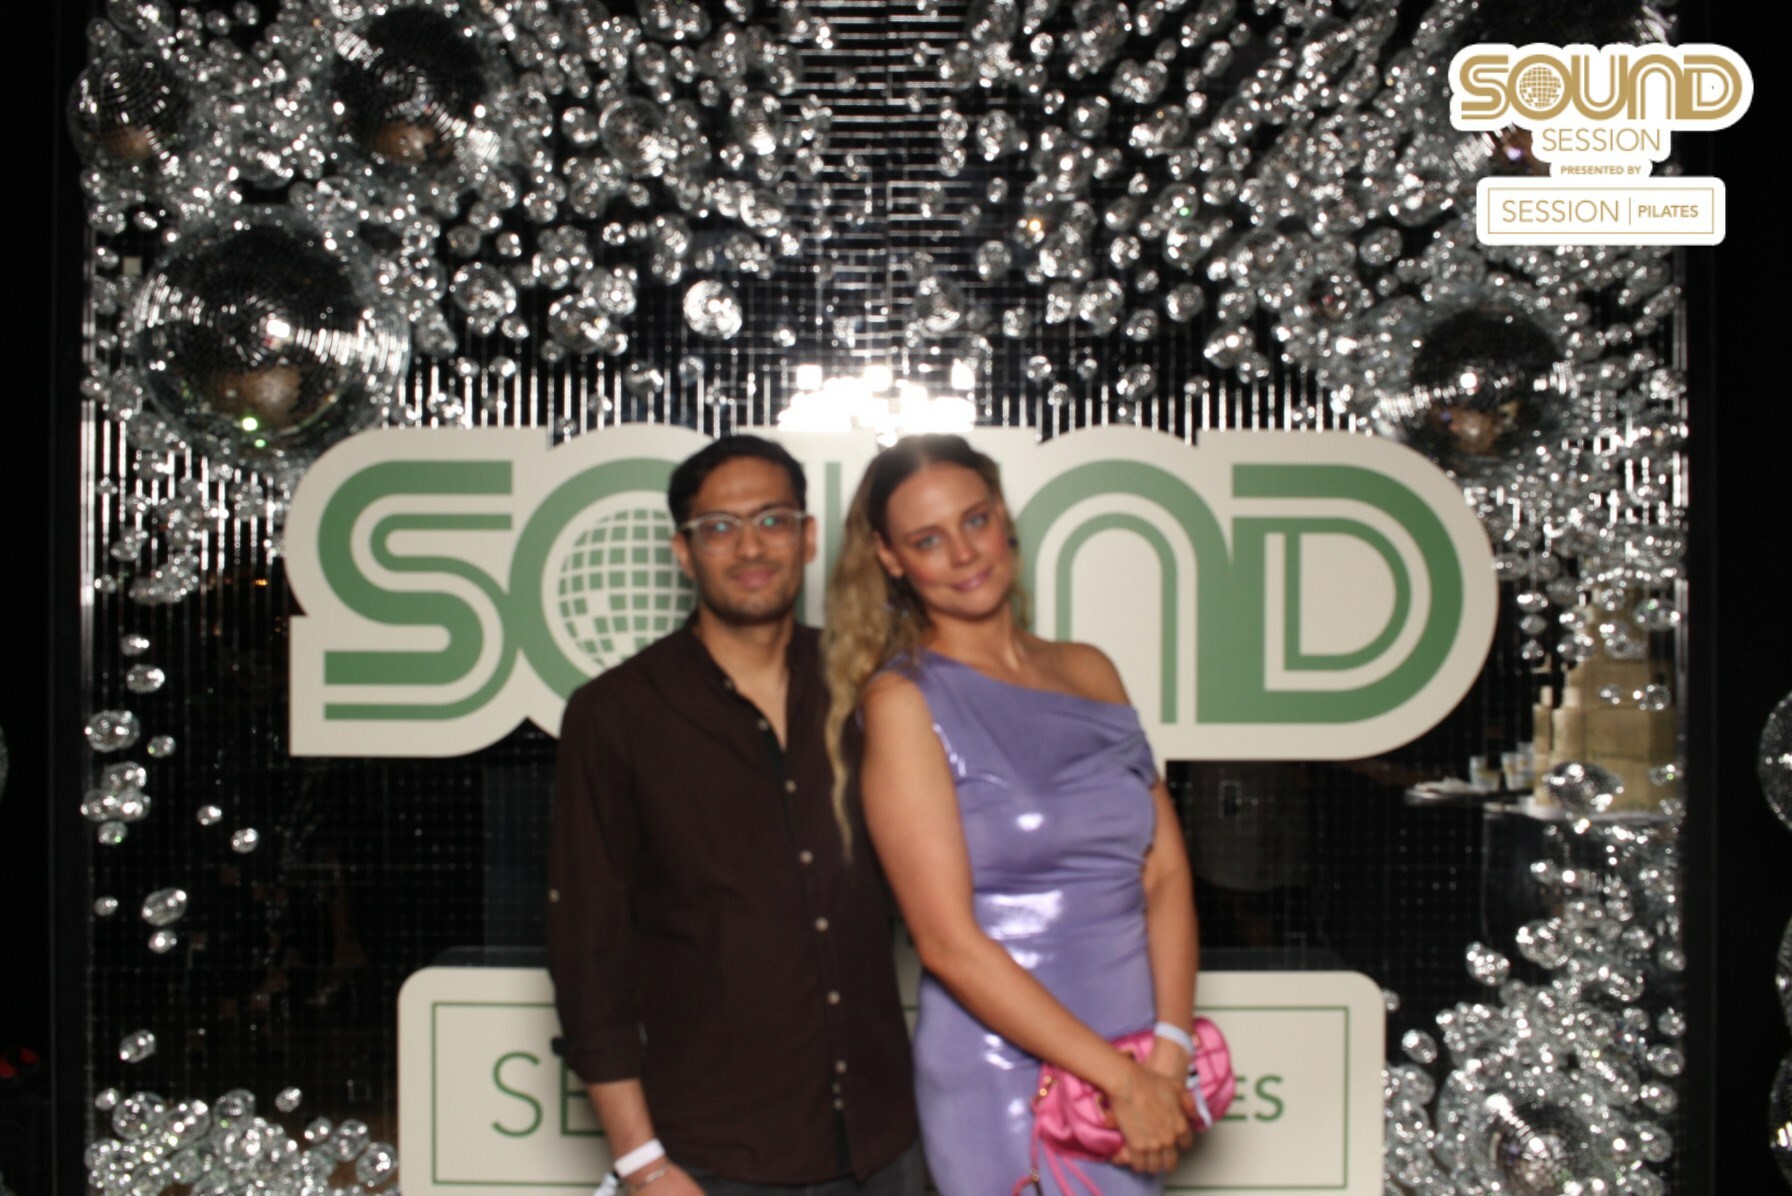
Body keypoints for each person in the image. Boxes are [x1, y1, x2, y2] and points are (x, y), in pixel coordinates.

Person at [823, 434, 1201, 1195]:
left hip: (1139, 1057)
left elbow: (1163, 872)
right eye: (928, 540)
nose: (964, 553)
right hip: (1002, 1077)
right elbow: (946, 943)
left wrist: (1168, 1047)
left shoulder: (1092, 671)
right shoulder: (903, 701)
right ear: (891, 559)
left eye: (975, 520)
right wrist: (1122, 1082)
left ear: (1002, 516)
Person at [548, 435, 922, 1196]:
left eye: (772, 520)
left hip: (887, 1143)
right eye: (719, 527)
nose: (750, 547)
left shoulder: (873, 686)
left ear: (807, 538)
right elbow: (589, 958)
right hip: (715, 1160)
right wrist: (642, 1165)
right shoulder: (616, 714)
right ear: (683, 553)